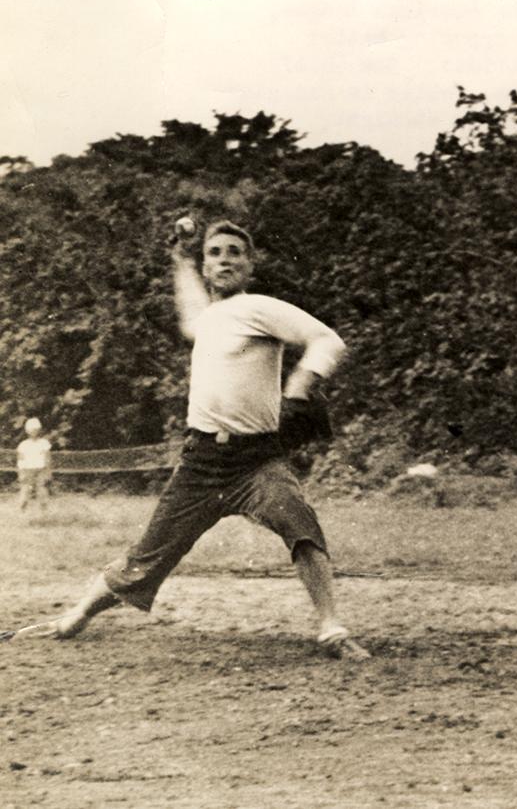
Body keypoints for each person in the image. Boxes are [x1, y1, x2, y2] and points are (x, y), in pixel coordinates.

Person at [21, 219, 369, 658]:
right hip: (201, 462)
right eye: (215, 253)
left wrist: (299, 385)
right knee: (149, 554)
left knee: (298, 523)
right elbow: (189, 311)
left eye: (234, 253)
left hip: (255, 460)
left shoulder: (259, 307)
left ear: (250, 265)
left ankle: (331, 627)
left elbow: (328, 341)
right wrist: (178, 258)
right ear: (206, 267)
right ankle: (76, 616)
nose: (224, 260)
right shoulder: (208, 318)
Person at [15, 417, 53, 515]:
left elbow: (47, 458)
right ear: (27, 431)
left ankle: (44, 511)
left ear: (39, 430)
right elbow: (20, 460)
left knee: (42, 490)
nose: (34, 432)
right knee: (25, 490)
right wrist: (21, 473)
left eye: (36, 429)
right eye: (31, 430)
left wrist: (48, 471)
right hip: (27, 470)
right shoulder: (23, 444)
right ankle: (21, 510)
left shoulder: (44, 443)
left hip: (40, 470)